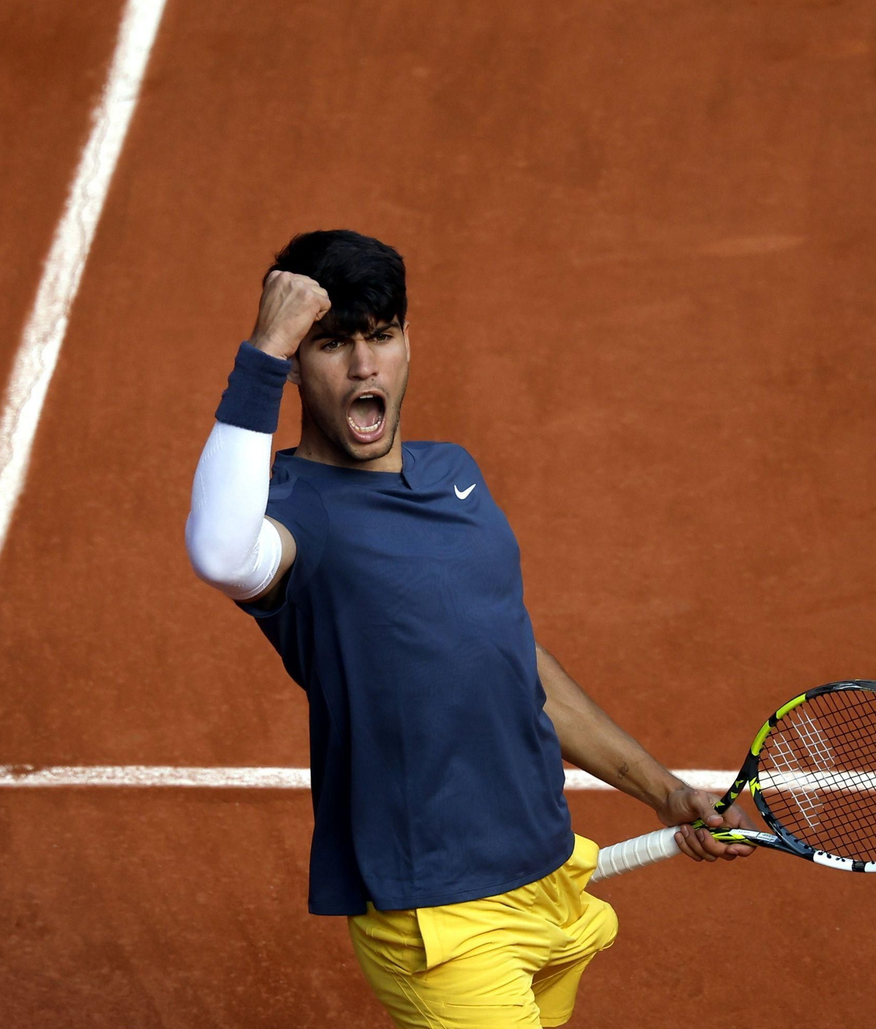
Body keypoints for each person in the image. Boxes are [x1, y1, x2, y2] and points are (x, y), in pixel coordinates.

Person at [185, 229, 752, 1027]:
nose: (362, 367)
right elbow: (217, 551)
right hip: (439, 923)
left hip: (552, 882)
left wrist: (663, 790)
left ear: (408, 341)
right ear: (298, 365)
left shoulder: (455, 474)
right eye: (330, 345)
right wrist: (264, 348)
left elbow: (512, 661)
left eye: (380, 337)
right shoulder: (289, 518)